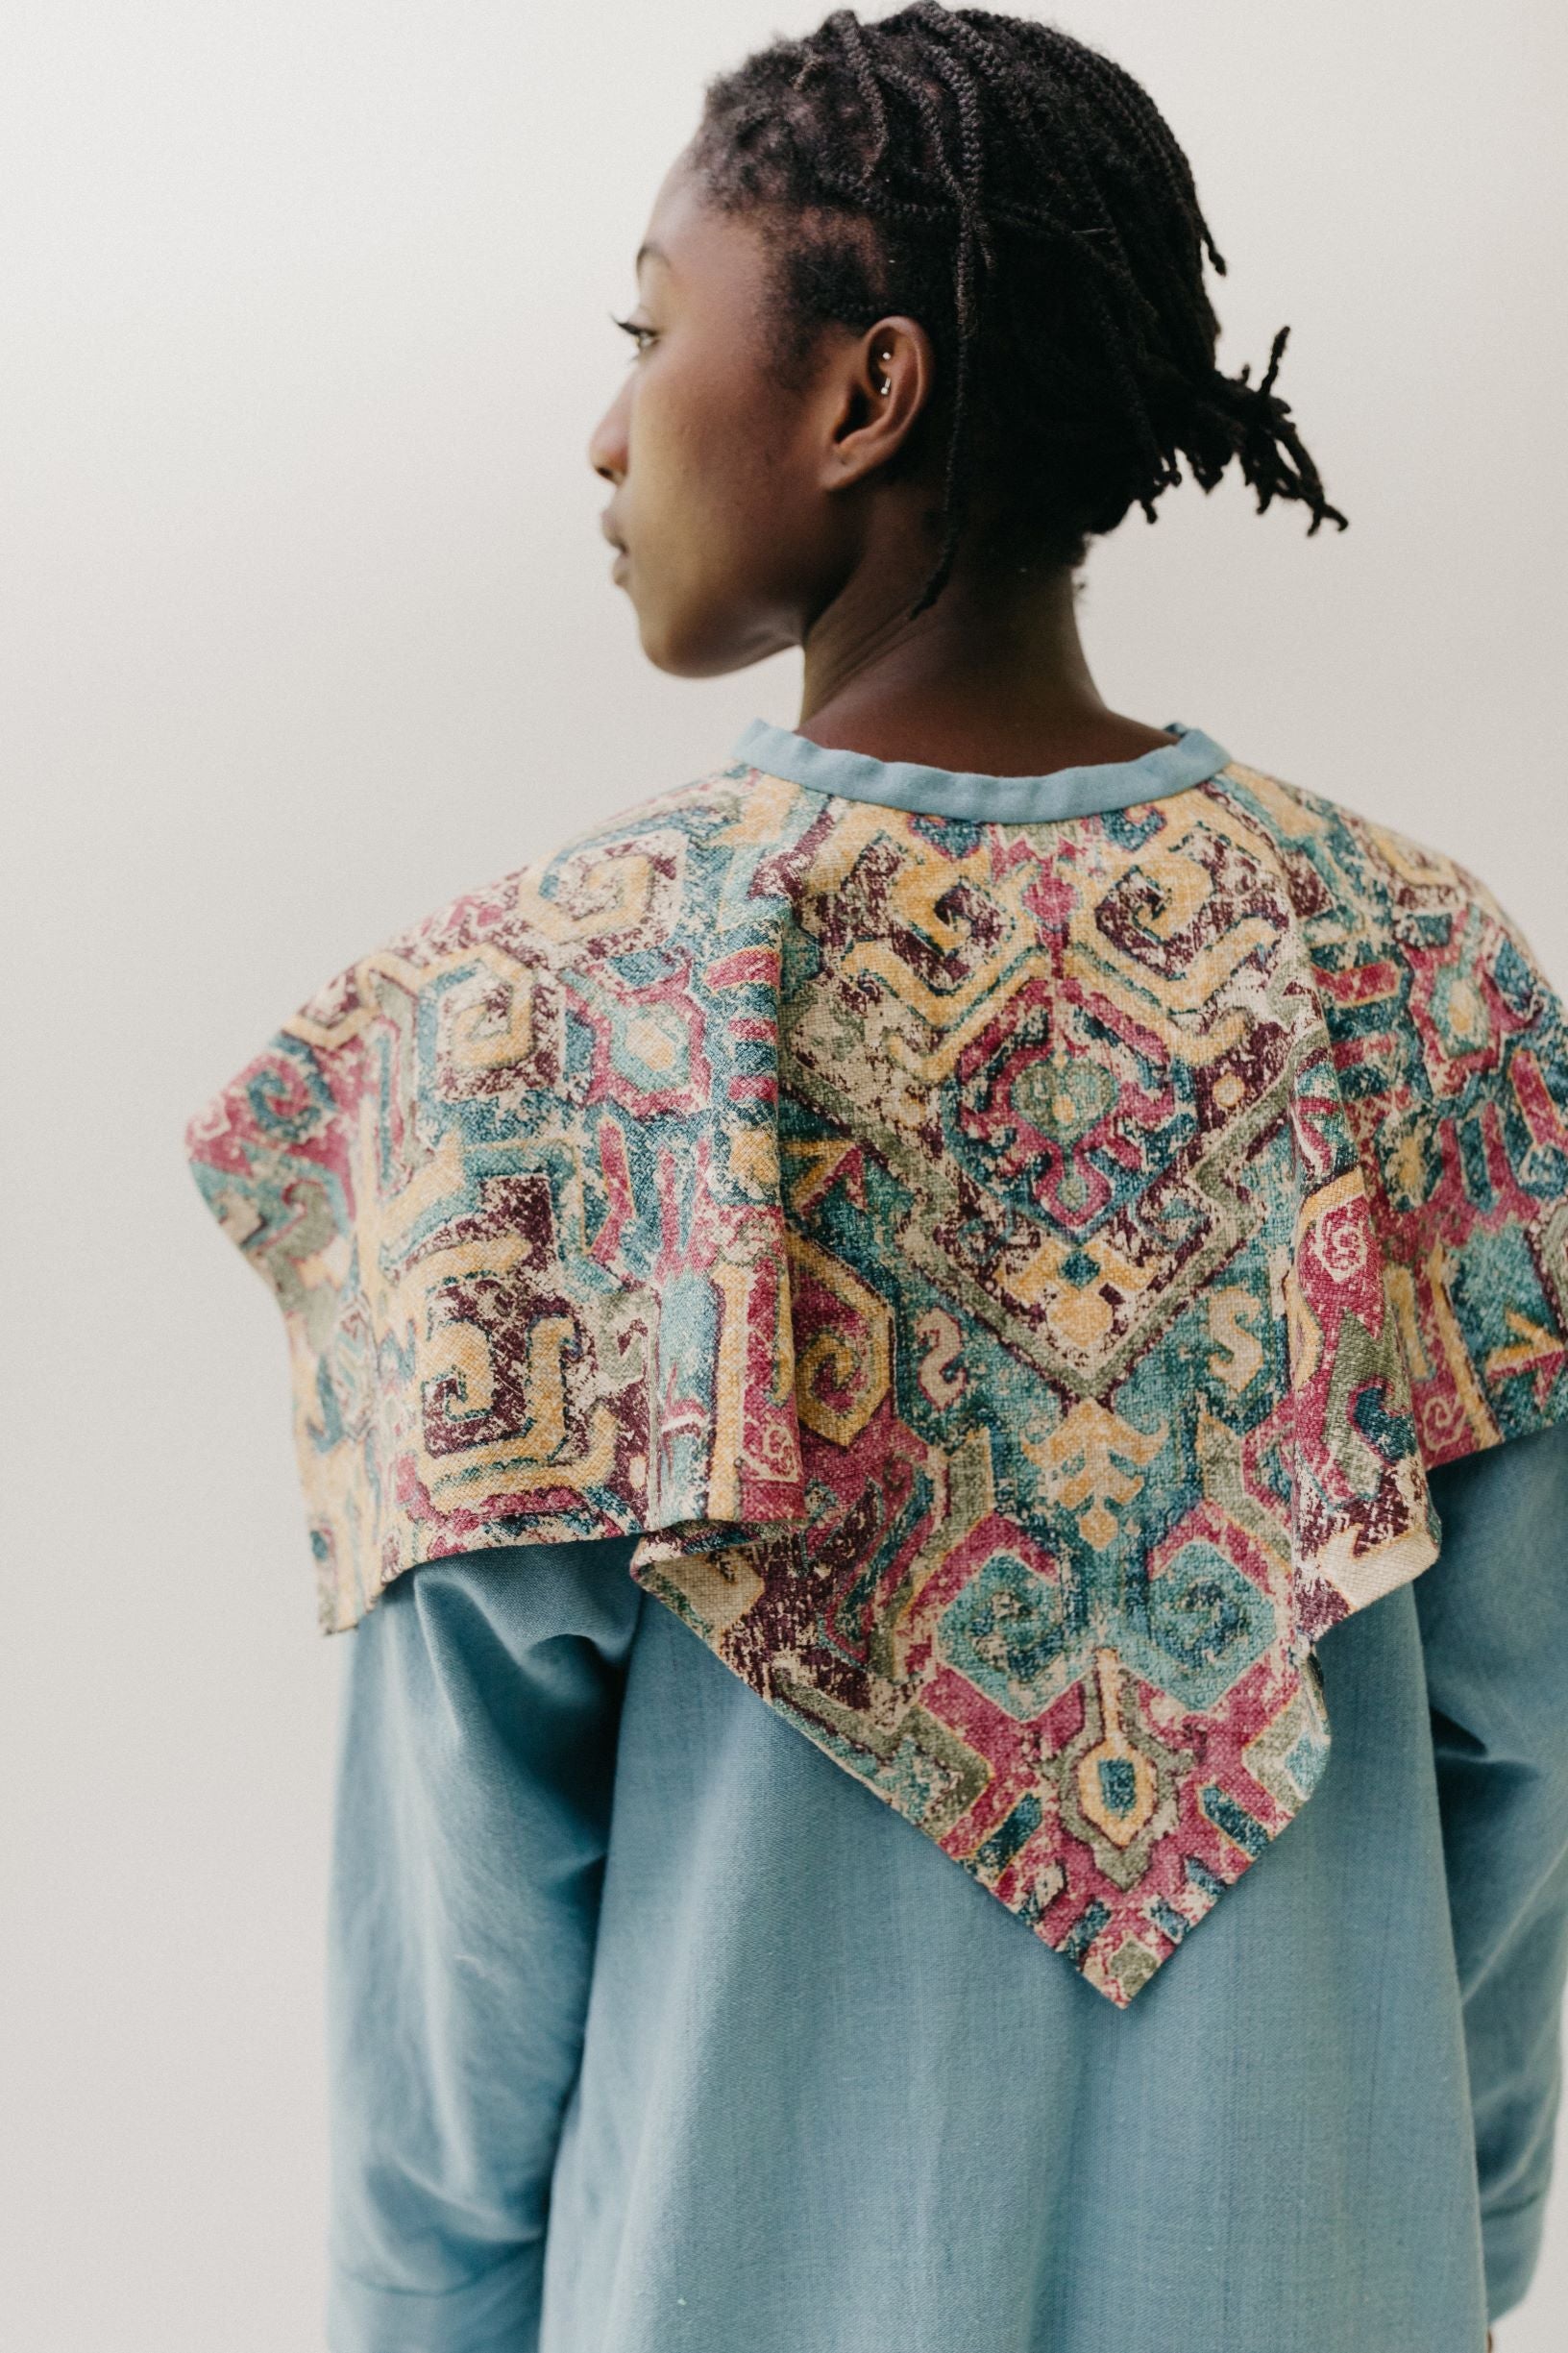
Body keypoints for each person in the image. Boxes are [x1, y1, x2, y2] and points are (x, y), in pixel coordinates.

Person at [184, 10, 1566, 2348]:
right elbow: (1515, 1772)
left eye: (648, 331)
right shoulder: (1424, 986)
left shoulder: (541, 1023)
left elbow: (468, 1939)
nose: (609, 430)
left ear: (864, 395)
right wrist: (1443, 2241)